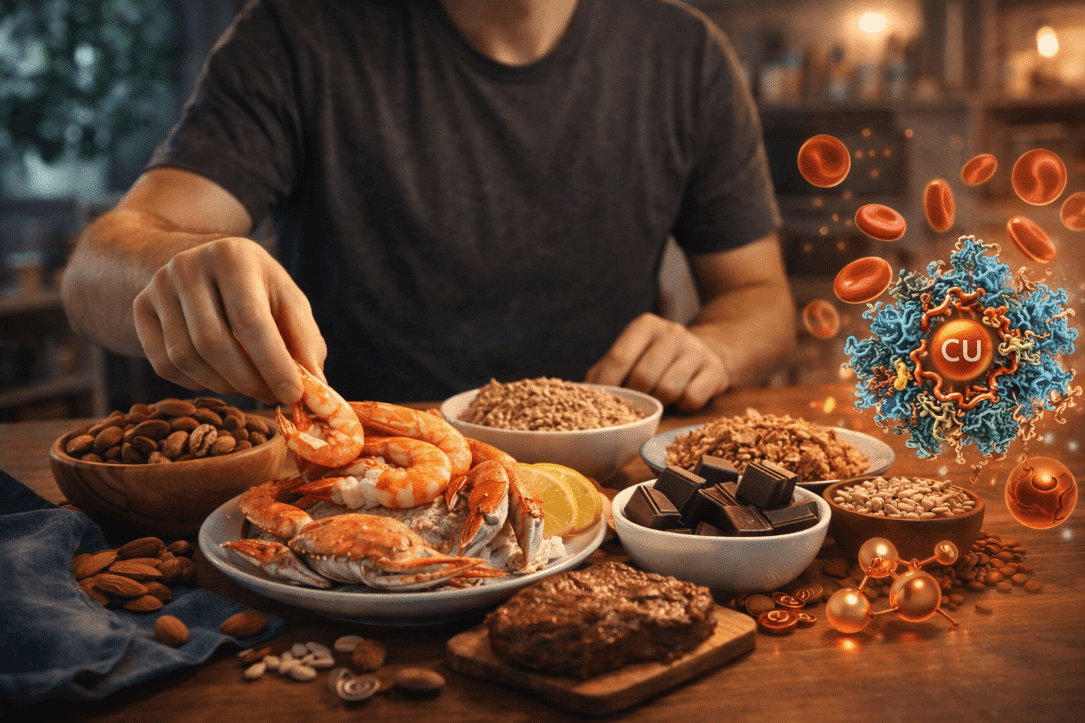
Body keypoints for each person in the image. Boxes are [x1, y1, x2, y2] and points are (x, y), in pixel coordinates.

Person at [60, 0, 795, 412]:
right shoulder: (295, 34)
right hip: (353, 476)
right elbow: (92, 274)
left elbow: (760, 298)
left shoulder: (686, 53)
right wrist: (179, 270)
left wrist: (716, 346)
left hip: (606, 479)